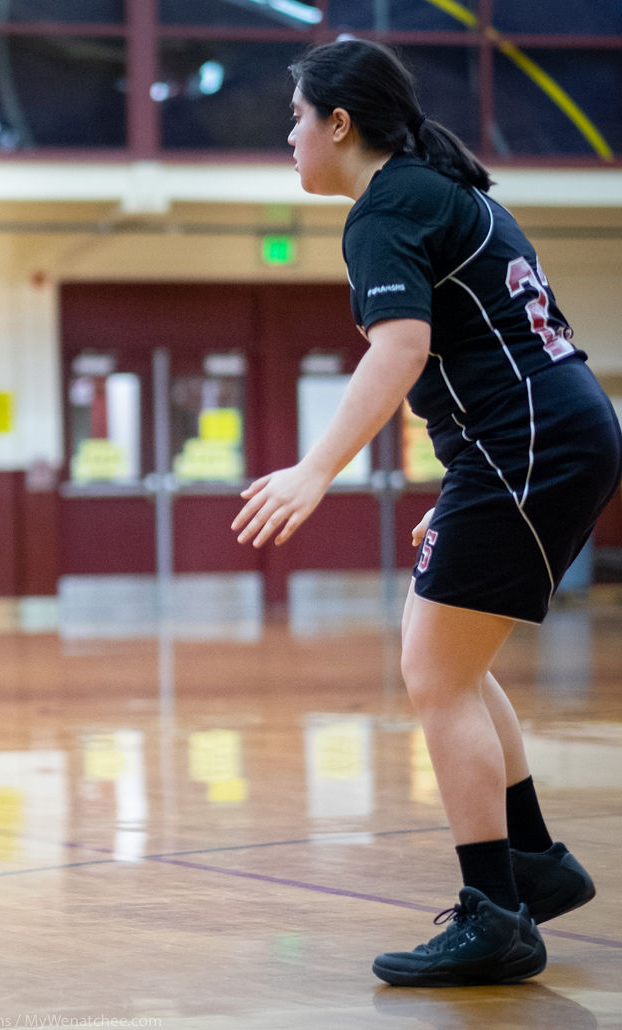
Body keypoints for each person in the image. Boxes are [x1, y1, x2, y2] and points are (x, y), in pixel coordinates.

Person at [233, 38, 621, 987]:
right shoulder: (445, 191)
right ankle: (529, 859)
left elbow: (400, 348)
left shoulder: (386, 208)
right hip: (544, 437)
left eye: (295, 118)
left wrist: (313, 471)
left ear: (339, 122)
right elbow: (490, 354)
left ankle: (495, 912)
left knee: (433, 671)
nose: (288, 137)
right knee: (449, 651)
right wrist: (466, 488)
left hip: (532, 444)